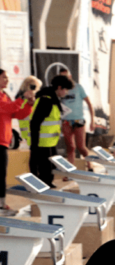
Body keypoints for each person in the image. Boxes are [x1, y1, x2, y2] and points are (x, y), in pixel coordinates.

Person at [0, 69, 35, 215]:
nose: (7, 80)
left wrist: (28, 104)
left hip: (3, 141)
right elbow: (5, 109)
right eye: (4, 77)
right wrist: (21, 98)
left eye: (7, 78)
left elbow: (16, 114)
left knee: (2, 174)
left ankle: (2, 205)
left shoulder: (4, 95)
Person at [29, 75, 74, 188]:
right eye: (65, 89)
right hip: (41, 141)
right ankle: (43, 185)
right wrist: (35, 144)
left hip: (49, 141)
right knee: (43, 166)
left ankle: (47, 183)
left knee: (49, 166)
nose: (66, 92)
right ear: (59, 87)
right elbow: (35, 122)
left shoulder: (52, 99)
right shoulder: (46, 100)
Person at [58, 68, 96, 166]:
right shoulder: (59, 89)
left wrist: (92, 121)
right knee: (70, 147)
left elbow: (89, 103)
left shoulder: (78, 87)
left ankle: (90, 164)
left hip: (78, 120)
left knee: (81, 147)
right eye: (62, 77)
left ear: (70, 76)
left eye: (65, 76)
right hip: (66, 121)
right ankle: (70, 171)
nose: (64, 79)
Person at [14, 76, 42, 147]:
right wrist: (30, 104)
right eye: (35, 87)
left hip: (34, 132)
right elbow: (20, 115)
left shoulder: (33, 98)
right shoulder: (21, 99)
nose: (37, 90)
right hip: (29, 132)